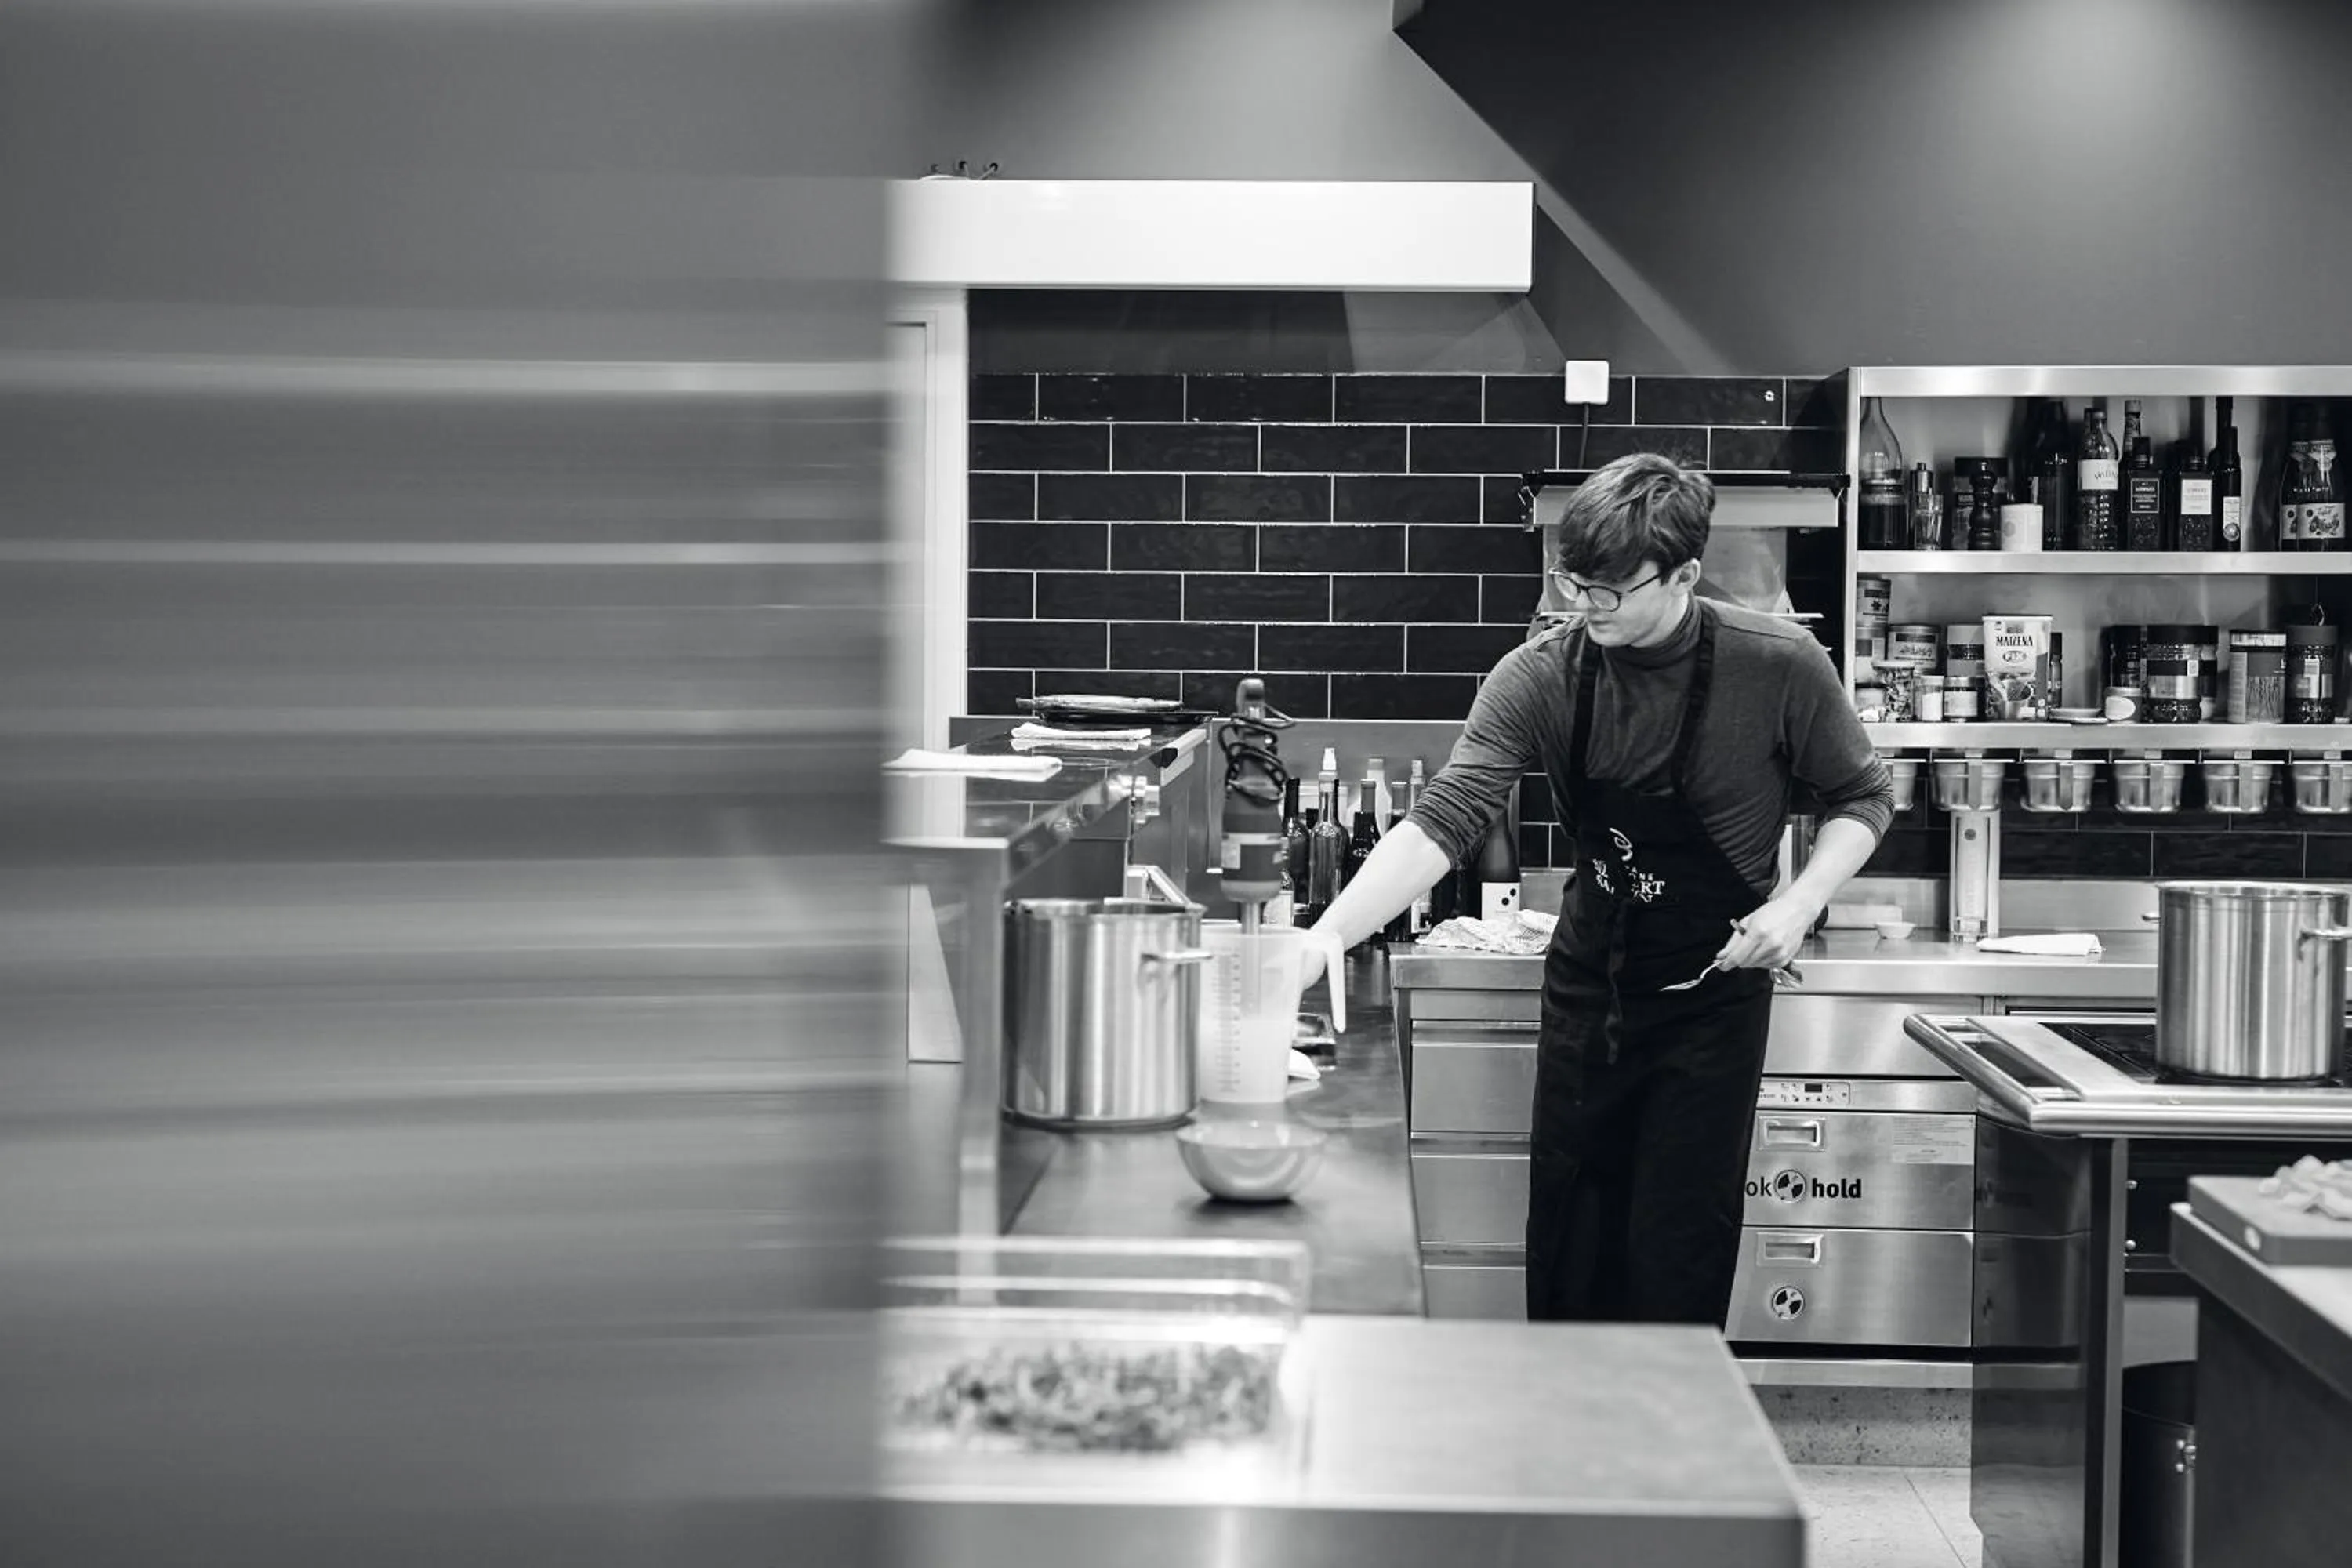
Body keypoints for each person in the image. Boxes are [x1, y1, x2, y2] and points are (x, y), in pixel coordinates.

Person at [1305, 453, 1893, 1327]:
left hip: (1713, 1001)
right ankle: (1566, 1418)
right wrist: (1327, 933)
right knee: (1572, 1250)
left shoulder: (1778, 663)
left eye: (1610, 590)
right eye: (1573, 583)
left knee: (1675, 1258)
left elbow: (1865, 796)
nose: (1585, 606)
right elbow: (1446, 817)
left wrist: (1798, 902)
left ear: (1685, 574)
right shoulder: (1539, 673)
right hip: (1590, 993)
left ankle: (1669, 1421)